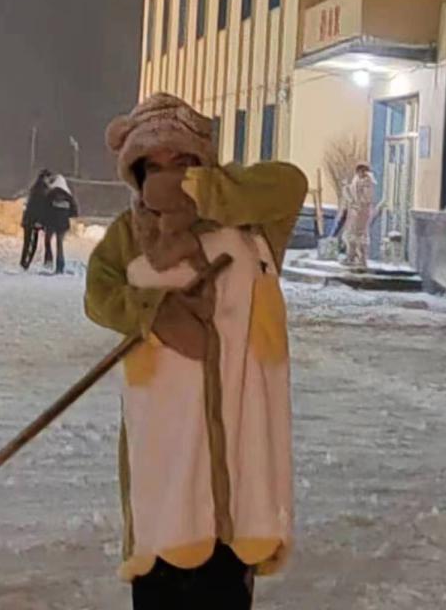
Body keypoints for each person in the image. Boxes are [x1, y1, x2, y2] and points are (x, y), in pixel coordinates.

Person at [84, 93, 307, 609]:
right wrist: (153, 313)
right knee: (162, 570)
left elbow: (292, 182)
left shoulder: (252, 224)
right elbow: (98, 294)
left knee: (226, 579)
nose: (168, 177)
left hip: (241, 446)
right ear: (136, 172)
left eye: (181, 161)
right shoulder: (128, 234)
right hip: (163, 444)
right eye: (155, 166)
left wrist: (203, 193)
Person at [341, 162, 376, 270]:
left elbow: (367, 198)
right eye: (359, 171)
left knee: (360, 235)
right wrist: (346, 189)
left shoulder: (367, 182)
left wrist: (359, 204)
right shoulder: (356, 179)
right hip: (354, 210)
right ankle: (351, 256)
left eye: (362, 171)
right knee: (350, 234)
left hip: (362, 211)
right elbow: (352, 193)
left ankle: (361, 259)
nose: (360, 173)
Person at [42, 174, 78, 275]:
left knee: (47, 241)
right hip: (63, 225)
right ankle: (60, 266)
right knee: (60, 245)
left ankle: (48, 259)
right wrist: (65, 214)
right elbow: (74, 212)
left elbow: (45, 209)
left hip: (51, 223)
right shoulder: (69, 197)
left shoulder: (51, 195)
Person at [20, 169, 52, 270]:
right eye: (48, 178)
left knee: (28, 242)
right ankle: (25, 263)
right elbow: (39, 208)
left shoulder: (36, 188)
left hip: (29, 220)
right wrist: (39, 221)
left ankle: (24, 262)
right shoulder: (42, 190)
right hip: (33, 221)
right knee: (31, 243)